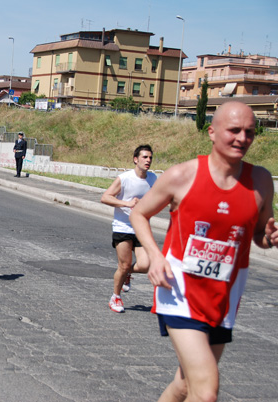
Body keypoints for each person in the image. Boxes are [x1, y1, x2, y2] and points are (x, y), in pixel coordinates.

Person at [130, 101, 277, 402]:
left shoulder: (260, 181)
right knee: (206, 391)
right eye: (234, 130)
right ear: (212, 132)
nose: (242, 138)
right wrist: (155, 256)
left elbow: (260, 234)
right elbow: (138, 214)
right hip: (180, 291)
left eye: (250, 132)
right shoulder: (181, 176)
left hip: (224, 297)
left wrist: (271, 237)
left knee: (185, 385)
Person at [100, 144, 156, 313]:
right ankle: (115, 297)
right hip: (123, 227)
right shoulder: (124, 178)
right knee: (123, 265)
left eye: (150, 158)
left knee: (145, 264)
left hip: (141, 227)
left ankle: (127, 274)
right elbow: (105, 197)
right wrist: (127, 203)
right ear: (135, 159)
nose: (148, 160)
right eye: (145, 157)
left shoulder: (153, 178)